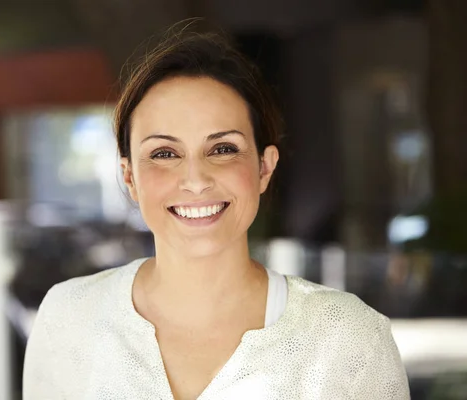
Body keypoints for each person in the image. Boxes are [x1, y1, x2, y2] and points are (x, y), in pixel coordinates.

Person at [23, 23, 410, 399]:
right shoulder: (69, 317)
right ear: (129, 178)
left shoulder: (351, 340)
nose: (195, 179)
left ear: (264, 167)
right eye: (164, 153)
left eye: (222, 149)